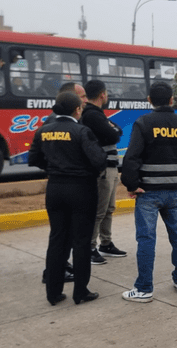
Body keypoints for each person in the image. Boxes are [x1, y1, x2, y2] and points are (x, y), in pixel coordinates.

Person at [120, 82, 177, 303]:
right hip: (175, 192)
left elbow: (131, 157)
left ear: (149, 100)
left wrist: (131, 184)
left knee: (146, 239)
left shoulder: (143, 123)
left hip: (148, 193)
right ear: (171, 100)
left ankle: (144, 289)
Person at [28, 92, 107, 306]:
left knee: (57, 240)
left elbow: (33, 158)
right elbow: (99, 159)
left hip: (55, 189)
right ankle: (80, 292)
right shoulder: (81, 131)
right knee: (81, 241)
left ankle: (53, 293)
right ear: (77, 110)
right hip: (81, 190)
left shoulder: (43, 130)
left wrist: (55, 169)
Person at [40, 82, 89, 283]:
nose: (85, 101)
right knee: (63, 235)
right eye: (82, 97)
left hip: (57, 184)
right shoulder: (64, 124)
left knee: (61, 234)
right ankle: (55, 271)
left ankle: (58, 270)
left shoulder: (50, 123)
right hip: (71, 185)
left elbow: (37, 157)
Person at [81, 80, 126, 265]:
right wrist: (112, 129)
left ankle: (105, 243)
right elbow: (115, 134)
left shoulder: (98, 115)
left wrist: (112, 129)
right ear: (102, 95)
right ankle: (90, 247)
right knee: (98, 210)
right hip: (103, 169)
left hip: (111, 167)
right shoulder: (92, 115)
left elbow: (117, 129)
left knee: (109, 208)